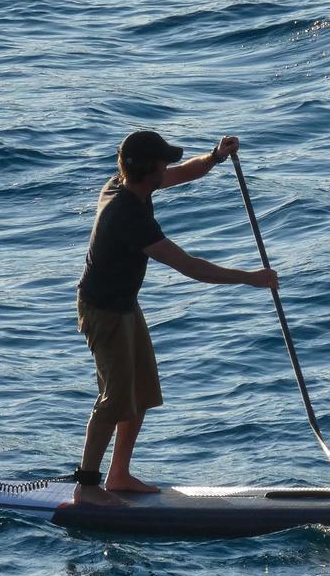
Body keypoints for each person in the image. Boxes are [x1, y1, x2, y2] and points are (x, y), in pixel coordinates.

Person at [74, 129, 277, 497]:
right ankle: (86, 486)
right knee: (115, 398)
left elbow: (183, 172)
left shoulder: (129, 183)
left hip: (124, 306)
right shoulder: (128, 215)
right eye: (162, 161)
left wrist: (214, 157)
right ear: (147, 170)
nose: (167, 166)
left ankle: (118, 475)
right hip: (103, 312)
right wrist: (251, 279)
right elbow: (190, 267)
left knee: (140, 389)